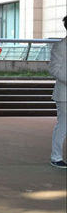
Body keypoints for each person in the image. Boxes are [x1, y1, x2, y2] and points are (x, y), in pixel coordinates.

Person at [49, 15, 66, 168]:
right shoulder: (60, 46)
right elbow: (54, 69)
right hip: (64, 95)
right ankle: (56, 157)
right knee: (63, 125)